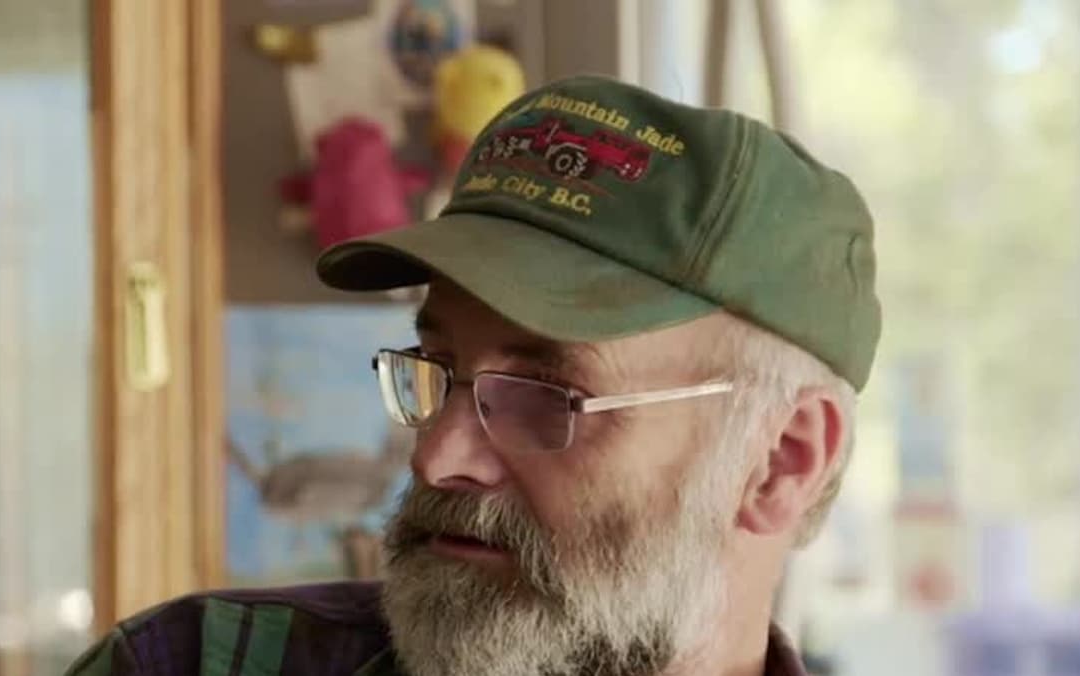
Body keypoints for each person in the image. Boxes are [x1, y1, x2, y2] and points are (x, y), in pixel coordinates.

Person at [65, 73, 879, 676]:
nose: (435, 455)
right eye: (439, 368)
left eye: (546, 397)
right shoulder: (193, 664)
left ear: (781, 461)